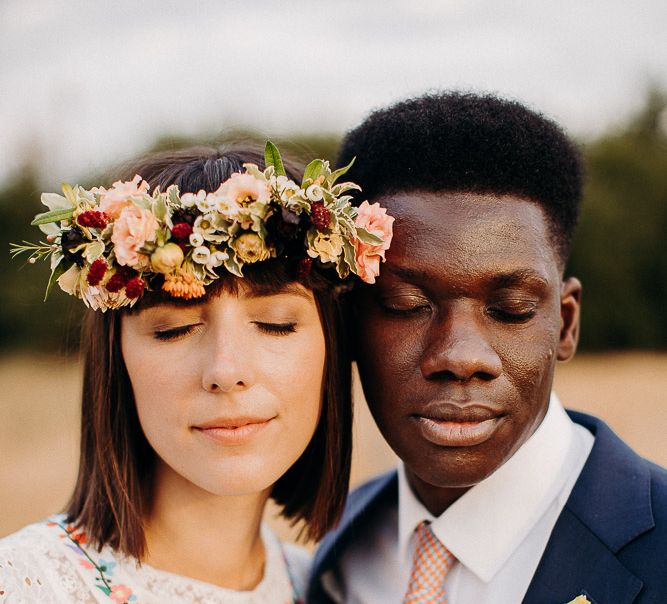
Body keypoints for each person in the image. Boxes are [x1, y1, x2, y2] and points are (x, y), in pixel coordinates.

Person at [308, 93, 667, 603]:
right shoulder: (335, 556)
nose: (460, 356)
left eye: (512, 309)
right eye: (406, 304)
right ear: (348, 323)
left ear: (565, 325)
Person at [3, 142, 392, 603]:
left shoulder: (332, 590)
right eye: (175, 329)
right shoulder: (26, 585)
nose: (226, 371)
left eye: (276, 324)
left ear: (333, 347)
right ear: (116, 358)